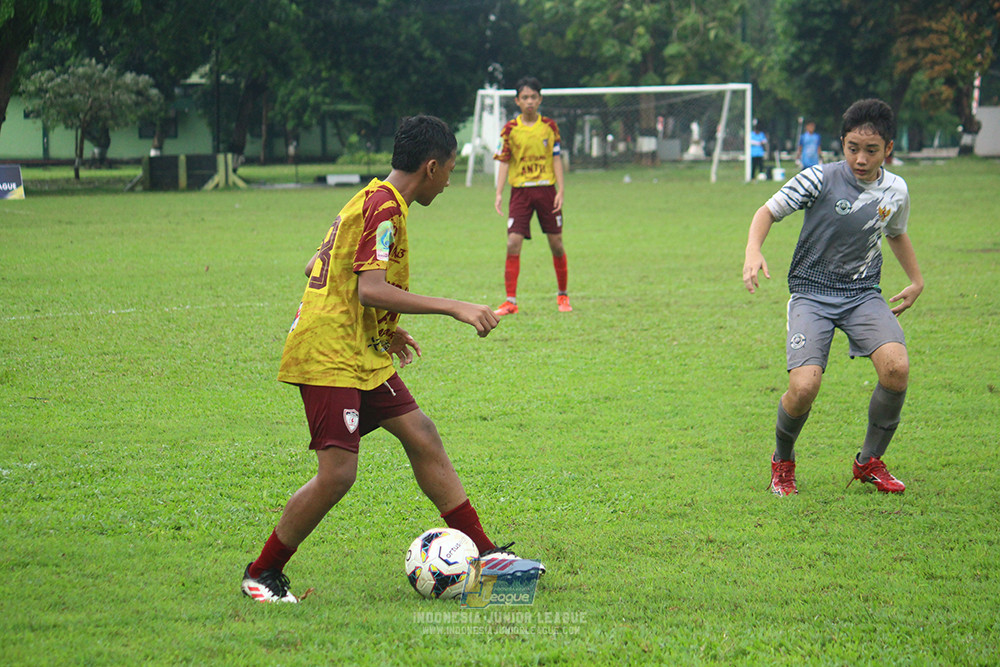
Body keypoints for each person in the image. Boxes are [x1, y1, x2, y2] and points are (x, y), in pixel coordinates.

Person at [241, 115, 544, 603]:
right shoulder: (385, 209)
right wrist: (455, 307)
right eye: (448, 170)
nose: (448, 182)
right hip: (328, 353)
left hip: (359, 348)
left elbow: (318, 265)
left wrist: (385, 324)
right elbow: (370, 286)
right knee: (338, 473)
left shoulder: (369, 198)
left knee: (421, 431)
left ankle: (486, 558)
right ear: (430, 167)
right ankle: (262, 573)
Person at [742, 98, 924, 497]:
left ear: (888, 149)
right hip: (811, 294)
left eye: (871, 150)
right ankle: (783, 461)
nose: (860, 159)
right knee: (804, 387)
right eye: (852, 148)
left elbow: (896, 232)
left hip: (862, 294)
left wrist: (915, 279)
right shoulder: (817, 179)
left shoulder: (896, 189)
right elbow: (767, 211)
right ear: (842, 144)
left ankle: (869, 461)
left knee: (897, 368)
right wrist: (753, 250)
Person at [493, 76, 570, 315]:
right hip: (521, 193)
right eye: (524, 97)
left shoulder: (549, 126)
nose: (529, 101)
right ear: (517, 101)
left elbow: (556, 158)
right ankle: (510, 301)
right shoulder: (510, 130)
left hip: (547, 190)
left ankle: (563, 296)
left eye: (533, 97)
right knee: (512, 242)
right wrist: (498, 193)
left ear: (540, 99)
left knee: (556, 243)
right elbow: (504, 162)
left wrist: (560, 190)